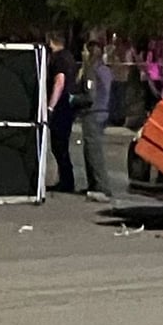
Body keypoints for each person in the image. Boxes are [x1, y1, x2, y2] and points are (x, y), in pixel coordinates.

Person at [76, 40, 113, 203]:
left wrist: (74, 99)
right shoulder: (105, 69)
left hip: (93, 112)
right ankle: (94, 185)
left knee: (93, 151)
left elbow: (90, 96)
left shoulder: (91, 70)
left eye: (84, 51)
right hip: (103, 111)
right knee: (92, 149)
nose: (82, 53)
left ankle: (101, 187)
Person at [45, 30, 78, 193]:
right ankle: (65, 180)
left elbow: (59, 82)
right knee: (61, 145)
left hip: (61, 106)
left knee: (59, 145)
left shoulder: (59, 59)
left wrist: (51, 106)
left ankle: (67, 182)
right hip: (67, 106)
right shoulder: (69, 57)